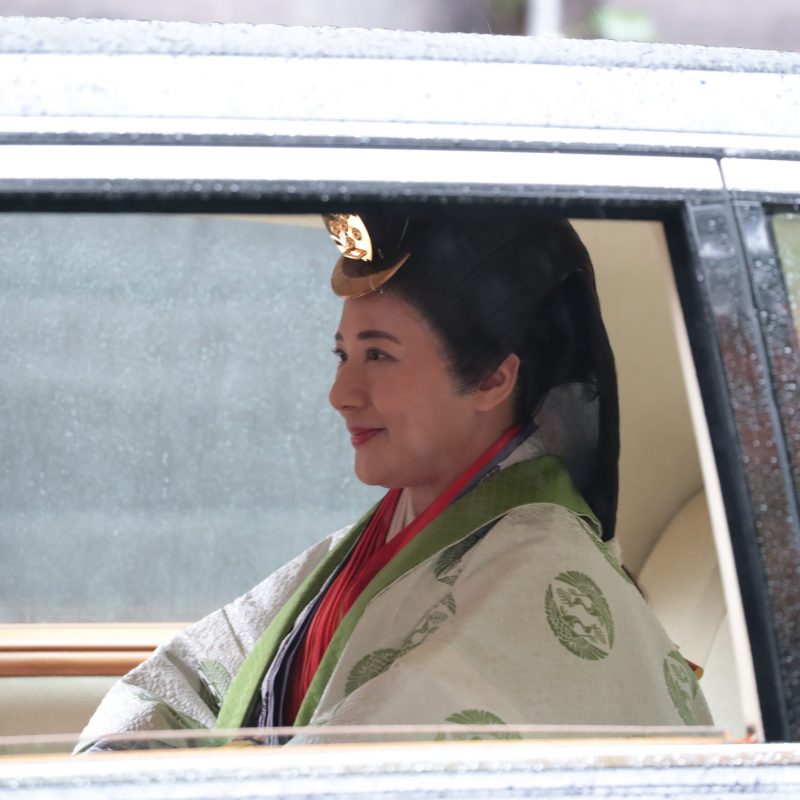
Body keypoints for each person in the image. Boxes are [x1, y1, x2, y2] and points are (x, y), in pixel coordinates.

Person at [77, 211, 711, 750]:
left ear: (493, 377)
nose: (340, 393)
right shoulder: (373, 540)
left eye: (379, 354)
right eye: (342, 354)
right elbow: (193, 672)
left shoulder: (540, 573)